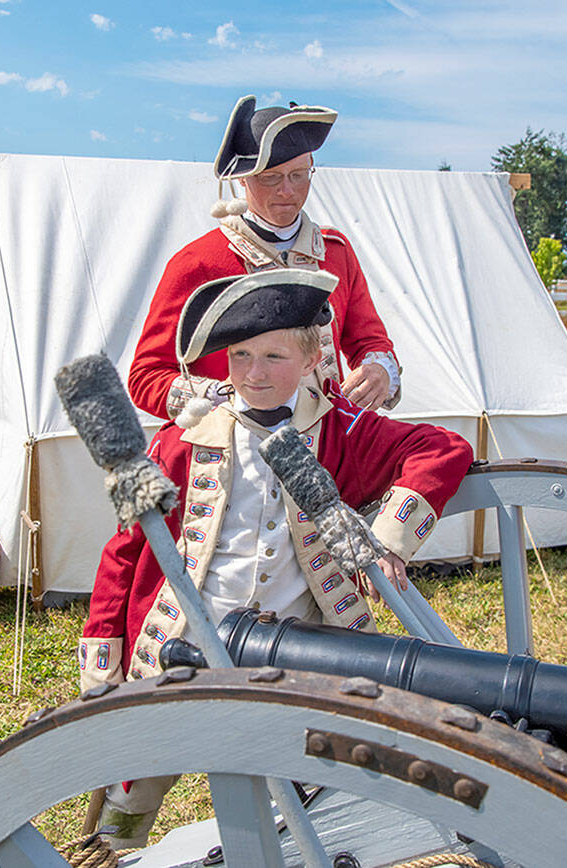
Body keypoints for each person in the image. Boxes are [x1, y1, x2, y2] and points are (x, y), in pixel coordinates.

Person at [80, 268, 473, 847]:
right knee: (135, 781)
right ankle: (112, 850)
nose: (254, 374)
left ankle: (288, 846)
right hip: (183, 639)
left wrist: (385, 540)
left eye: (273, 356)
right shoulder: (176, 441)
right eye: (240, 356)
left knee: (302, 783)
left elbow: (443, 447)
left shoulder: (341, 431)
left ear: (314, 359)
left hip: (297, 650)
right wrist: (103, 652)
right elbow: (125, 551)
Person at [127, 94, 402, 422]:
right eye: (271, 177)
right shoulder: (197, 261)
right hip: (233, 449)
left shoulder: (336, 251)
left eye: (299, 175)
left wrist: (378, 370)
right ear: (242, 178)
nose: (287, 190)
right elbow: (146, 376)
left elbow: (367, 339)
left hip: (328, 443)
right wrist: (219, 401)